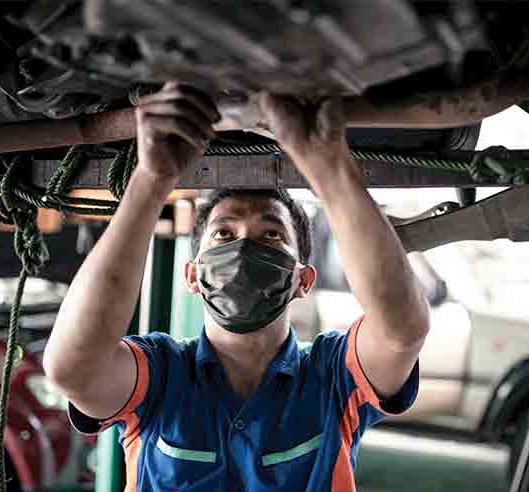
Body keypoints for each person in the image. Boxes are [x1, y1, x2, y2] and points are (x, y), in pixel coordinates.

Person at [43, 82, 430, 491]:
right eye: (224, 235)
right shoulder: (161, 377)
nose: (245, 246)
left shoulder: (331, 377)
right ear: (193, 275)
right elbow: (73, 368)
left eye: (271, 236)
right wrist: (151, 180)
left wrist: (331, 170)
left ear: (303, 279)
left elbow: (402, 330)